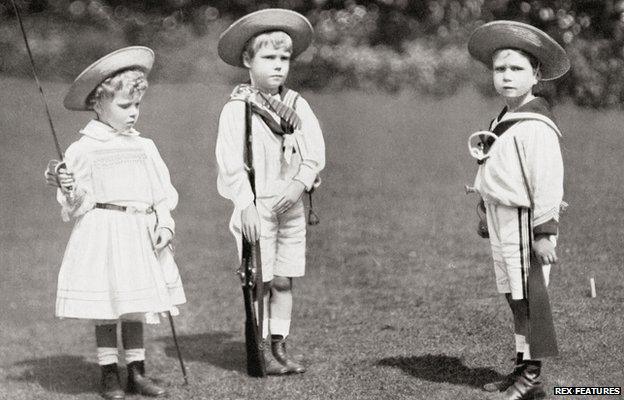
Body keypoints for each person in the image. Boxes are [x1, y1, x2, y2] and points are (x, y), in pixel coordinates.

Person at [44, 46, 185, 399]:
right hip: (103, 233)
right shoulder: (84, 148)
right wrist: (70, 188)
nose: (133, 113)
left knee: (135, 305)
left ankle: (136, 372)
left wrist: (164, 225)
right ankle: (109, 374)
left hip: (139, 233)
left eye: (137, 105)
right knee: (107, 306)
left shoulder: (145, 147)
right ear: (97, 104)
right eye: (125, 106)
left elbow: (161, 194)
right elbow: (78, 204)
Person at [215, 9, 325, 375]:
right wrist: (244, 205)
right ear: (248, 60)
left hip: (289, 204)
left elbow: (314, 153)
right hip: (257, 206)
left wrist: (298, 185)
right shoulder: (238, 108)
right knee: (259, 280)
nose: (278, 66)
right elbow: (230, 163)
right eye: (268, 58)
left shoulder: (296, 105)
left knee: (283, 279)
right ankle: (259, 350)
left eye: (284, 59)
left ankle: (280, 347)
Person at [466, 21, 570, 400]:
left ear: (536, 74)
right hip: (502, 218)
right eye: (500, 69)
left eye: (516, 69)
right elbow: (497, 168)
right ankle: (521, 369)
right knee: (514, 297)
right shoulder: (502, 118)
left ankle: (533, 379)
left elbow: (546, 181)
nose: (507, 76)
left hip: (528, 222)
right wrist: (484, 207)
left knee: (529, 298)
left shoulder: (536, 125)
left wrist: (545, 233)